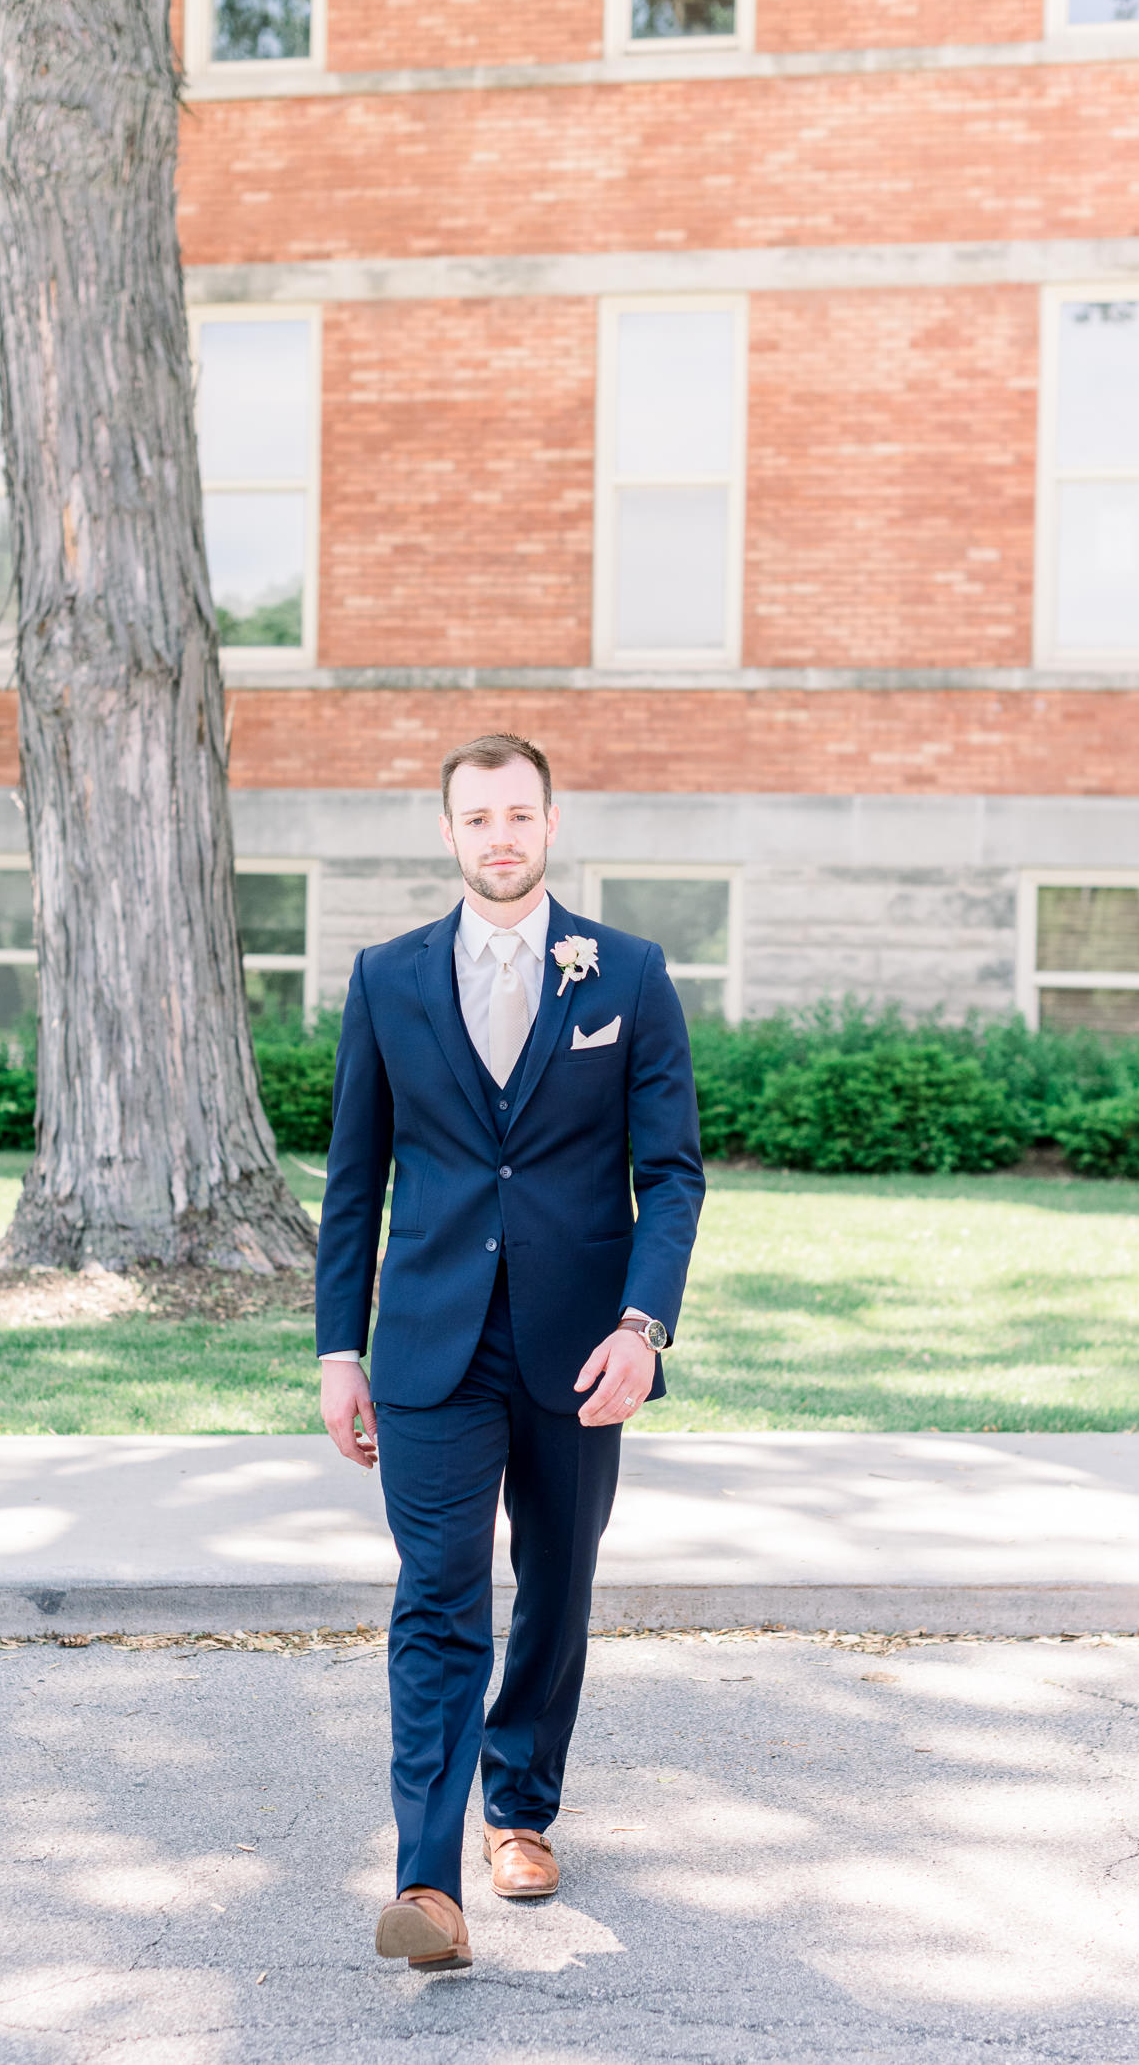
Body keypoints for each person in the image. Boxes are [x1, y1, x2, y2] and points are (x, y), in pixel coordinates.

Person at [315, 731, 705, 1973]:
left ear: (550, 825)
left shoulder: (627, 975)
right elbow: (352, 1182)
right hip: (428, 1347)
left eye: (519, 815)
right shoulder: (385, 978)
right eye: (476, 816)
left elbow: (672, 1175)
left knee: (557, 1586)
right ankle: (427, 1881)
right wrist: (338, 1348)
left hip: (580, 1346)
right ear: (447, 832)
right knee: (436, 1601)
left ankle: (521, 1805)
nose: (499, 836)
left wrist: (643, 1329)